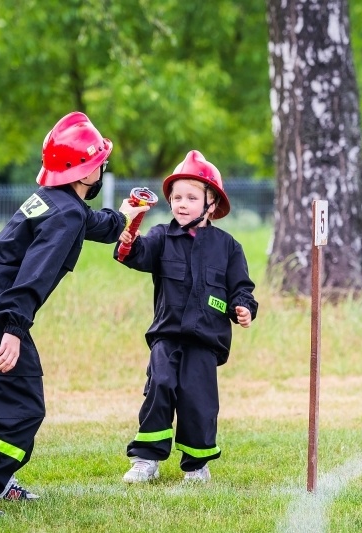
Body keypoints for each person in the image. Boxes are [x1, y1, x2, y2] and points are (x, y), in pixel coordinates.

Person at [0, 111, 150, 516]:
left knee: (10, 401)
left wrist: (125, 213)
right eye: (100, 162)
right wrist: (14, 329)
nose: (104, 168)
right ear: (86, 171)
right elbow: (35, 273)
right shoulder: (67, 213)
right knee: (23, 407)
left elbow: (95, 224)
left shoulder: (58, 202)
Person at [115, 150, 258, 483]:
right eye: (176, 197)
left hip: (206, 340)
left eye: (192, 197)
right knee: (160, 386)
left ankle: (197, 464)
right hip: (167, 335)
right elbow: (136, 255)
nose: (181, 203)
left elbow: (242, 288)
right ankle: (146, 460)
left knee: (198, 399)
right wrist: (128, 241)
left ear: (211, 204)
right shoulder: (160, 237)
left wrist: (244, 308)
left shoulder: (228, 247)